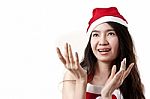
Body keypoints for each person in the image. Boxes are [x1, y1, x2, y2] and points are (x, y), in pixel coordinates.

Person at [56, 7, 145, 99]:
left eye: (110, 34)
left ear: (122, 39)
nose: (102, 42)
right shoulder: (73, 76)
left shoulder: (134, 86)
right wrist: (81, 81)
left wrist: (106, 95)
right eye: (96, 34)